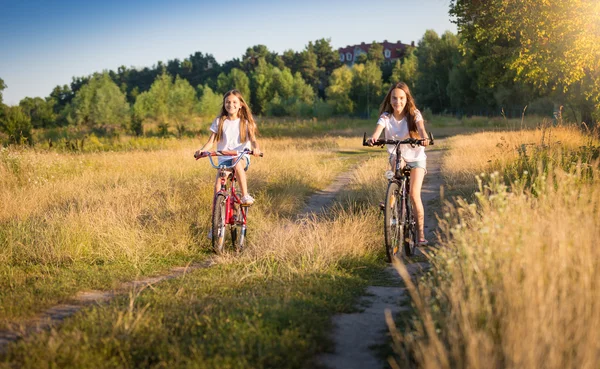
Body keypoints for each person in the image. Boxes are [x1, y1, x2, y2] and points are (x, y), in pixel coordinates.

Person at [366, 82, 430, 246]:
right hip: (397, 155)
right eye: (394, 98)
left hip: (416, 158)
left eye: (401, 98)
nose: (397, 102)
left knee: (414, 195)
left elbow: (421, 128)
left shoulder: (414, 114)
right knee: (396, 168)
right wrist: (373, 137)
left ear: (407, 99)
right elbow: (378, 130)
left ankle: (421, 235)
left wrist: (423, 138)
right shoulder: (386, 117)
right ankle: (391, 201)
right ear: (390, 99)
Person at [195, 89, 262, 206]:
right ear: (224, 104)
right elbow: (210, 142)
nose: (231, 105)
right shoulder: (219, 122)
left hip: (241, 157)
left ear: (241, 104)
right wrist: (202, 151)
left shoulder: (246, 123)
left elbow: (253, 141)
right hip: (224, 159)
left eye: (234, 102)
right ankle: (217, 219)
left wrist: (256, 149)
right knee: (218, 186)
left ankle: (245, 195)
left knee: (236, 161)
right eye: (228, 102)